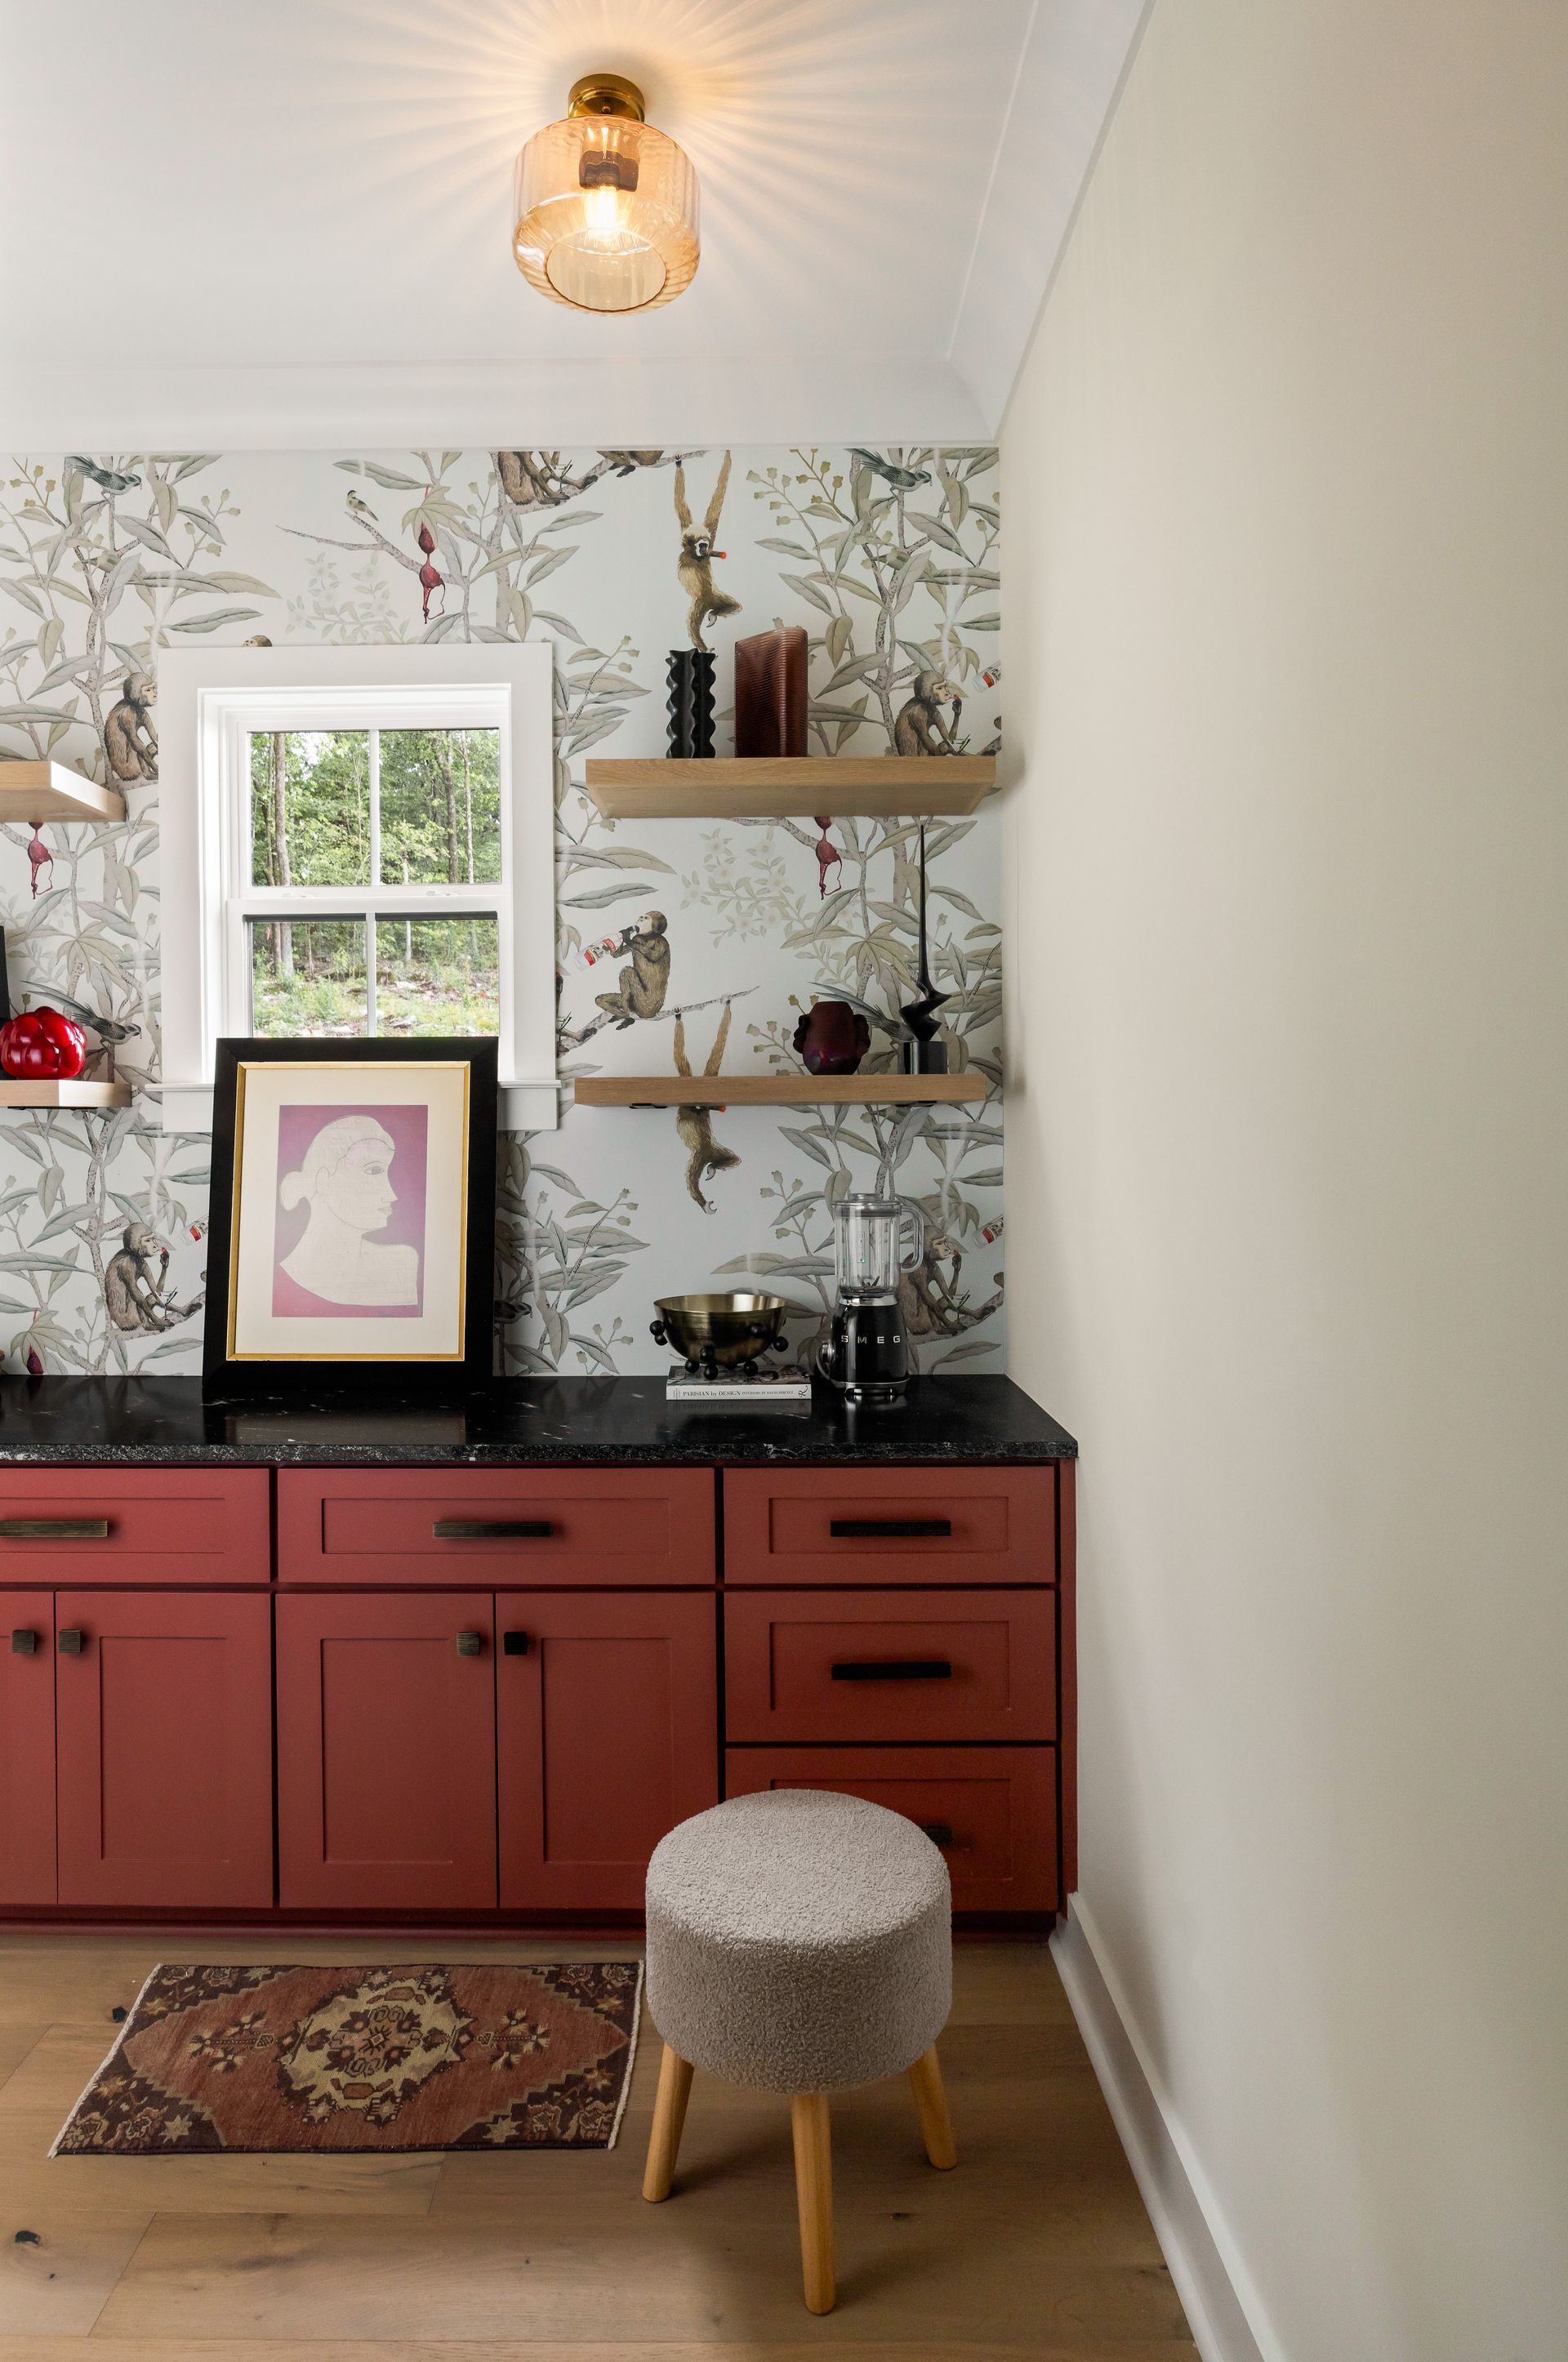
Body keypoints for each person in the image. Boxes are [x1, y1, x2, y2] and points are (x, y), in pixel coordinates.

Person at [277, 1114, 419, 1308]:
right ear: (324, 1181)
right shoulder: (277, 1287)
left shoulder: (401, 1264)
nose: (391, 1194)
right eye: (374, 1171)